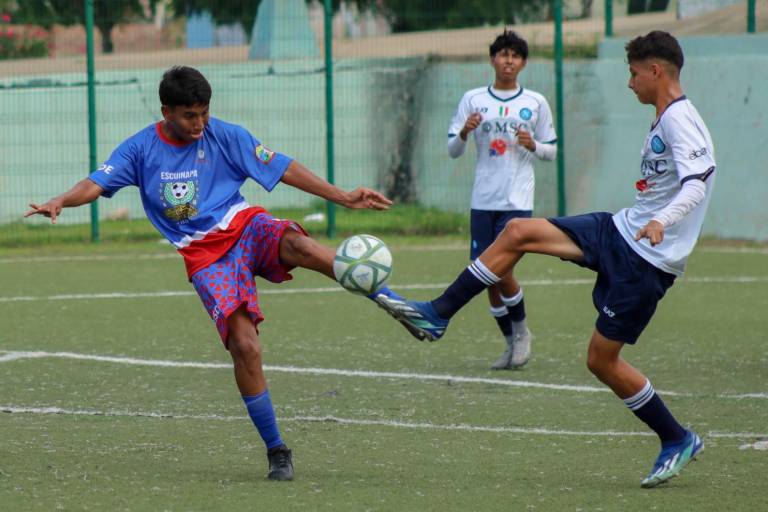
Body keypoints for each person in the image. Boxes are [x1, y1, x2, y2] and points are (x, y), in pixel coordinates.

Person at [376, 31, 714, 488]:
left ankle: (676, 438)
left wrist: (663, 221)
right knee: (518, 232)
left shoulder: (680, 119)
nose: (629, 82)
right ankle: (437, 314)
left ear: (656, 71)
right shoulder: (663, 117)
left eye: (634, 73)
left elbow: (696, 183)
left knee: (601, 360)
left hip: (648, 260)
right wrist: (647, 219)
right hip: (620, 230)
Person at [25, 66, 394, 482]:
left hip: (245, 225)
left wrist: (342, 196)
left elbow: (282, 167)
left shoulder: (225, 134)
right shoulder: (140, 150)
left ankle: (385, 296)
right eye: (189, 116)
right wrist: (61, 200)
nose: (200, 123)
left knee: (297, 243)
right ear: (166, 111)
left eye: (204, 113)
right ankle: (277, 449)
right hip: (205, 258)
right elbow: (96, 183)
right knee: (245, 347)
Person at [447, 29, 557, 370]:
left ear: (523, 63)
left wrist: (532, 145)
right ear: (492, 59)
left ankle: (522, 333)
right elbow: (452, 149)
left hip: (517, 198)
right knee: (485, 275)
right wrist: (465, 131)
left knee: (502, 267)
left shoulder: (535, 102)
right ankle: (510, 344)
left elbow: (550, 151)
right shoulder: (473, 98)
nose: (508, 60)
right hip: (483, 198)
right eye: (502, 54)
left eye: (515, 55)